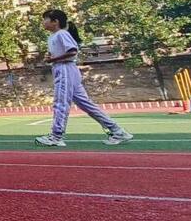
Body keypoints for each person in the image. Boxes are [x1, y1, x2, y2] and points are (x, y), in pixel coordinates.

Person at [35, 9, 133, 148]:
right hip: (63, 69)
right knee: (86, 104)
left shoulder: (61, 33)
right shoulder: (53, 36)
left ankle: (56, 136)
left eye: (45, 19)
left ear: (55, 22)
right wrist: (51, 58)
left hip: (65, 69)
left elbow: (73, 51)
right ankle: (117, 131)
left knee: (61, 102)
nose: (43, 22)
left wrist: (54, 59)